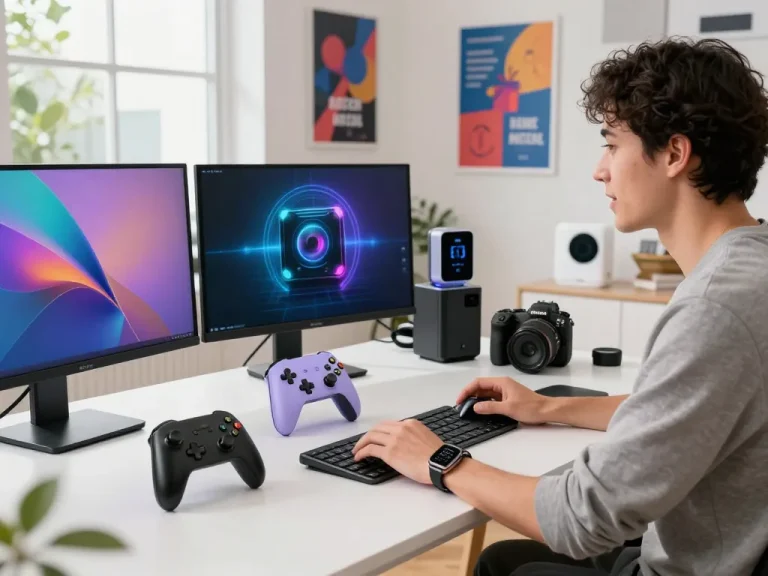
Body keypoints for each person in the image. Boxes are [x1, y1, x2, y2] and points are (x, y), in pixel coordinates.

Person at [352, 37, 768, 576]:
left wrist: (439, 459)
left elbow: (581, 517)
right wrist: (547, 407)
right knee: (506, 559)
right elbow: (676, 416)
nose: (600, 170)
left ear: (673, 153)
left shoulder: (715, 309)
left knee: (506, 567)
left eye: (612, 145)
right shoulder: (751, 269)